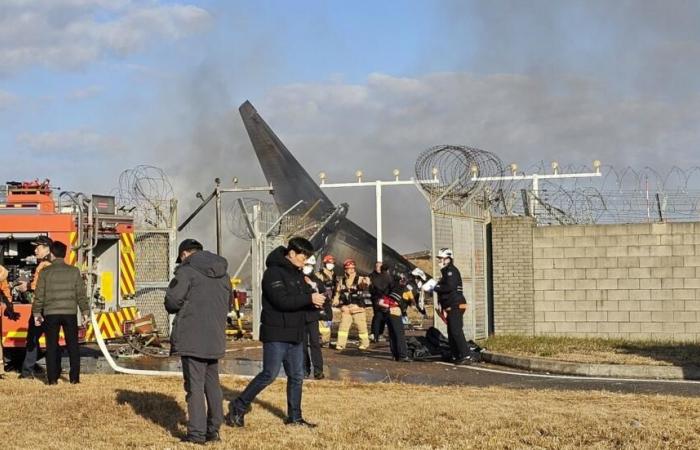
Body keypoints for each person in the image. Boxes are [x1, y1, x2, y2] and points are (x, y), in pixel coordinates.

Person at [226, 237, 325, 428]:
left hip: (295, 333)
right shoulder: (273, 273)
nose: (305, 262)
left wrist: (316, 300)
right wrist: (308, 298)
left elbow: (303, 302)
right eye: (303, 257)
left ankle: (295, 418)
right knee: (269, 374)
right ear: (292, 253)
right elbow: (282, 301)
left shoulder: (298, 275)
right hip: (276, 333)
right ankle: (238, 406)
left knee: (297, 376)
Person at [165, 238, 230, 444]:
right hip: (216, 336)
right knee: (213, 385)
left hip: (192, 336)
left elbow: (173, 301)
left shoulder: (186, 271)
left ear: (184, 254)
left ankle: (196, 434)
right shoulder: (224, 273)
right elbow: (227, 304)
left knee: (194, 387)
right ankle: (214, 430)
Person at [32, 241, 88, 385]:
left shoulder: (45, 272)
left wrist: (37, 313)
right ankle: (74, 378)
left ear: (52, 253)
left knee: (51, 346)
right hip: (69, 313)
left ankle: (52, 379)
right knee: (73, 346)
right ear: (64, 254)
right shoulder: (74, 271)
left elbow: (39, 294)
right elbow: (81, 294)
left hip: (50, 313)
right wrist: (85, 311)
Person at [423, 248, 469, 364]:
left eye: (441, 258)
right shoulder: (445, 272)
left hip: (456, 305)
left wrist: (435, 287)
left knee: (456, 331)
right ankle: (455, 355)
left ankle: (466, 355)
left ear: (448, 258)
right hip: (450, 306)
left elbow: (449, 287)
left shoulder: (451, 271)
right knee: (451, 332)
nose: (439, 260)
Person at [19, 235, 54, 379]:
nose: (35, 250)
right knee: (51, 341)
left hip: (41, 308)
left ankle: (27, 373)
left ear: (46, 248)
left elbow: (36, 288)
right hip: (54, 308)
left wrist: (25, 287)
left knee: (32, 339)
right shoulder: (56, 263)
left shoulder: (42, 265)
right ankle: (53, 372)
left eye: (37, 247)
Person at [333, 259, 370, 350]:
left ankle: (364, 344)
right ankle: (340, 344)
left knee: (361, 328)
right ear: (345, 269)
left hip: (358, 308)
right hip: (346, 309)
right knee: (343, 327)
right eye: (348, 268)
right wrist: (336, 300)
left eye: (352, 268)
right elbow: (338, 292)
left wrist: (366, 281)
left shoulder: (360, 278)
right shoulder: (342, 281)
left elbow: (366, 283)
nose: (351, 270)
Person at [302, 256, 325, 380]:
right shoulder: (298, 279)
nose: (307, 268)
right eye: (306, 265)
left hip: (312, 315)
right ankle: (304, 369)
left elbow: (324, 295)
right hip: (300, 315)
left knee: (315, 343)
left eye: (309, 266)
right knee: (302, 344)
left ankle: (318, 370)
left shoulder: (317, 281)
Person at [316, 255, 337, 345]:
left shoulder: (333, 275)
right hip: (322, 299)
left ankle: (325, 339)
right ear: (325, 264)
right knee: (322, 318)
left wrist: (335, 298)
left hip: (329, 300)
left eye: (332, 263)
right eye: (328, 263)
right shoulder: (319, 275)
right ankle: (324, 339)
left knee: (329, 318)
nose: (330, 265)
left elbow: (335, 288)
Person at [368, 262, 390, 343]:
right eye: (377, 266)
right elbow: (371, 288)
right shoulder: (372, 276)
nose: (378, 268)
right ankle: (374, 334)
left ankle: (380, 333)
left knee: (384, 316)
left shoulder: (385, 275)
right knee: (377, 316)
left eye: (380, 267)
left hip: (385, 298)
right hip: (376, 298)